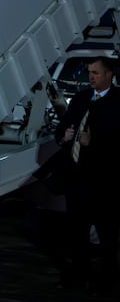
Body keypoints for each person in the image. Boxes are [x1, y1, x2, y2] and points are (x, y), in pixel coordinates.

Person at [53, 56, 119, 295]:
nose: (90, 77)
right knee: (77, 234)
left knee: (107, 234)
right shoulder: (80, 99)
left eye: (96, 73)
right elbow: (61, 128)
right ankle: (79, 278)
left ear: (109, 75)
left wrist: (94, 142)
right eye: (89, 72)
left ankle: (108, 281)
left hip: (104, 182)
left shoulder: (118, 101)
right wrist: (65, 135)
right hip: (77, 179)